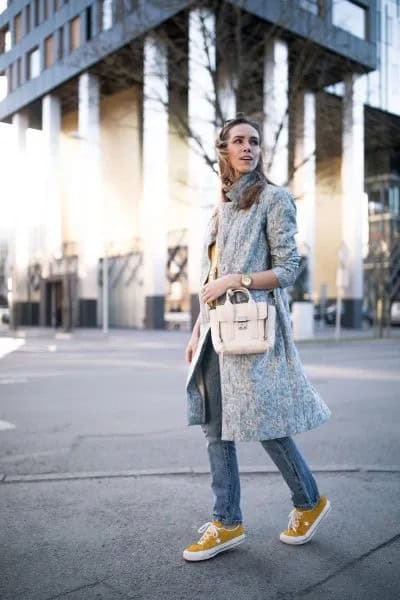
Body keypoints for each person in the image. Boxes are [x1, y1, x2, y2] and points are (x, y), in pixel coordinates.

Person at [183, 114, 332, 562]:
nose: (248, 148)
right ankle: (227, 522)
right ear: (224, 151)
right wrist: (196, 329)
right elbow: (209, 277)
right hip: (214, 333)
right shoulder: (221, 208)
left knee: (264, 421)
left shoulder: (274, 200)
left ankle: (309, 503)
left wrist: (235, 280)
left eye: (255, 142)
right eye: (239, 141)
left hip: (251, 330)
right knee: (215, 428)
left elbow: (287, 271)